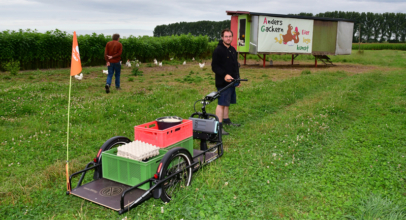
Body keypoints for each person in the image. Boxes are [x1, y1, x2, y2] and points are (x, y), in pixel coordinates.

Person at [211, 28, 241, 135]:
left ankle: (227, 120)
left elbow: (235, 66)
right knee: (222, 103)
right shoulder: (218, 50)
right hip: (222, 82)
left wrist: (237, 78)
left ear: (232, 37)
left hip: (232, 82)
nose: (228, 38)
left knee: (227, 102)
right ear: (222, 37)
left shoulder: (233, 50)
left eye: (230, 36)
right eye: (226, 36)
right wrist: (224, 75)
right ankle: (219, 126)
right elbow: (214, 66)